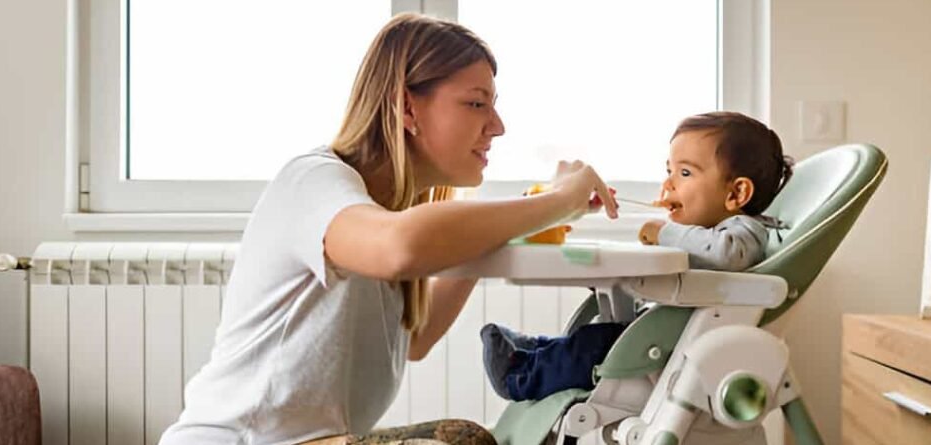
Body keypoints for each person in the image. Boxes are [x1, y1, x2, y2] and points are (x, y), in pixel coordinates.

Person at [159, 13, 618, 445]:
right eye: (476, 103)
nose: (496, 126)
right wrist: (558, 201)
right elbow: (400, 246)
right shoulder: (315, 181)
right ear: (405, 107)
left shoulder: (389, 211)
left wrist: (516, 222)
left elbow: (416, 337)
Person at [481, 111, 792, 402]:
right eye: (669, 171)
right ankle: (535, 349)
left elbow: (729, 255)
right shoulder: (699, 236)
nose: (669, 183)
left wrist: (664, 232)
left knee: (597, 345)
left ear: (736, 194)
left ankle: (520, 375)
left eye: (685, 173)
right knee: (594, 339)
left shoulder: (746, 229)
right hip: (659, 337)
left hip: (679, 351)